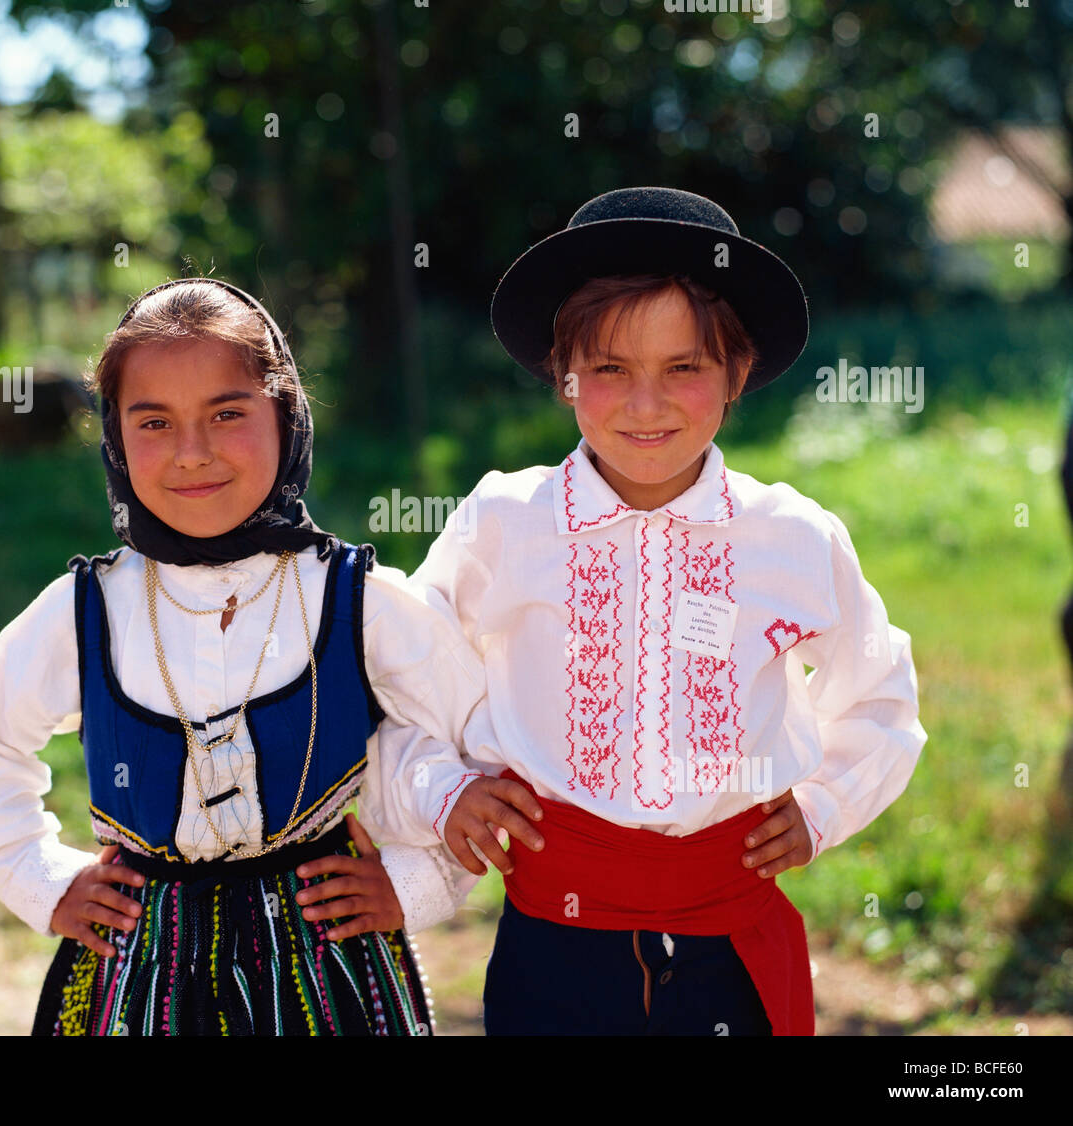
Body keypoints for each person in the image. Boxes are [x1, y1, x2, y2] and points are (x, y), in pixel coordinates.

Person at [381, 186, 928, 1035]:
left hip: (728, 942)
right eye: (610, 369)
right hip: (553, 940)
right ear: (565, 376)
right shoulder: (505, 520)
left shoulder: (791, 536)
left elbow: (880, 688)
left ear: (737, 373)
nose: (647, 404)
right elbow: (405, 669)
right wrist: (443, 789)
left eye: (684, 367)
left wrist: (823, 806)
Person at [0, 277, 483, 1036]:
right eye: (154, 422)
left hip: (325, 971)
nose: (192, 453)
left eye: (227, 414)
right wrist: (41, 881)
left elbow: (474, 744)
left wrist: (415, 882)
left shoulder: (355, 597)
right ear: (114, 437)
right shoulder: (88, 609)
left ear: (286, 415)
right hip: (140, 972)